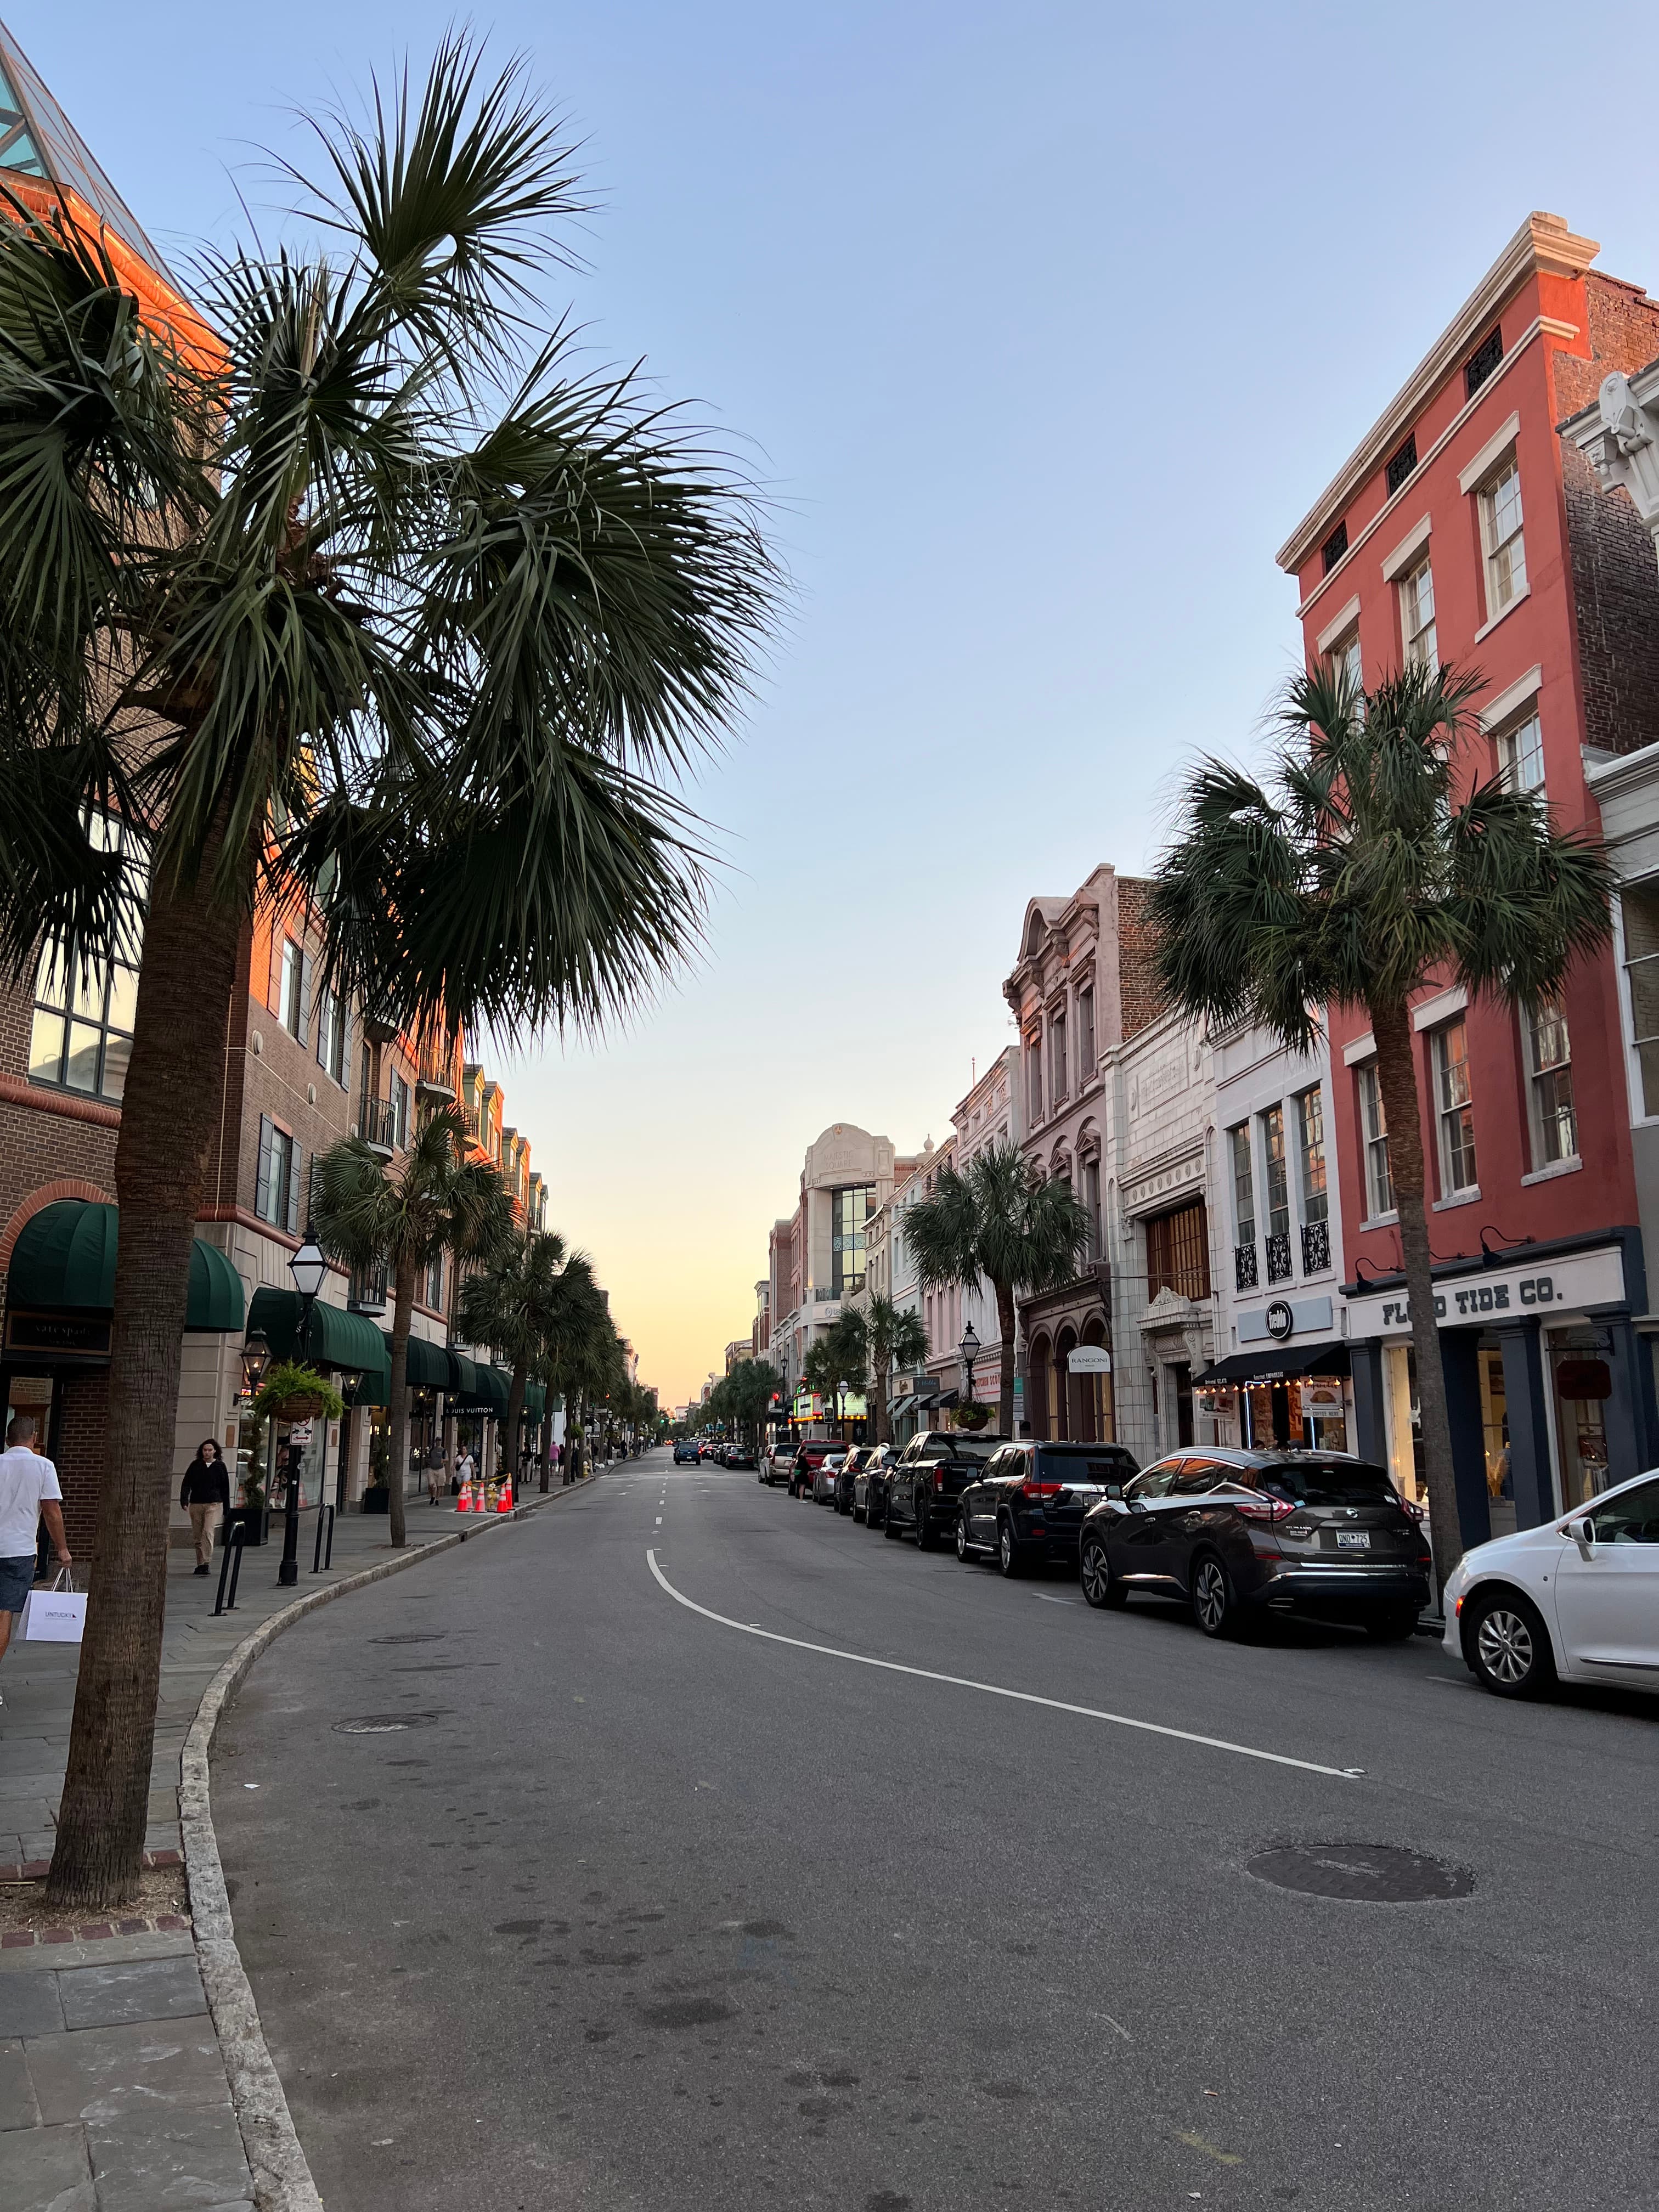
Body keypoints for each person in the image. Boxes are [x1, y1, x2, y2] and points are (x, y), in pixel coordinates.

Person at [0, 1413, 72, 1700]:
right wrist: (62, 1549)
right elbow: (52, 1511)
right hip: (18, 1551)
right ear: (34, 1439)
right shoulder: (44, 1466)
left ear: (7, 1440)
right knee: (3, 1615)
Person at [180, 1438, 230, 1574]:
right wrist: (184, 1500)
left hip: (213, 1504)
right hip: (196, 1503)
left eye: (210, 1450)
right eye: (205, 1450)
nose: (207, 1452)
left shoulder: (220, 1466)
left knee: (208, 1532)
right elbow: (186, 1484)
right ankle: (200, 1563)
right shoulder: (195, 1465)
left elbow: (225, 1487)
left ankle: (206, 1562)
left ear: (215, 1451)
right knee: (198, 1535)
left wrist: (227, 1508)